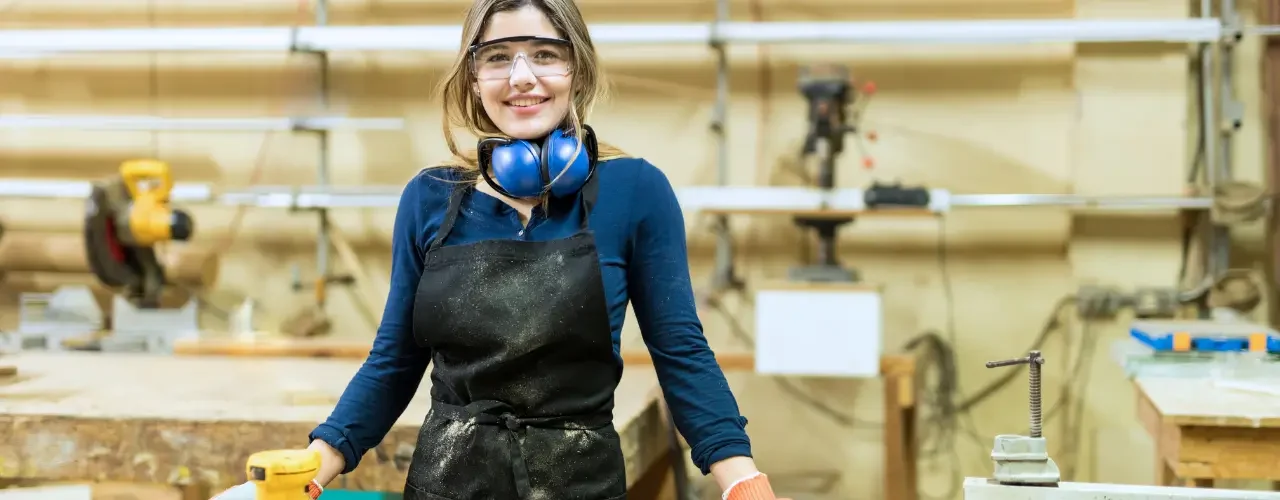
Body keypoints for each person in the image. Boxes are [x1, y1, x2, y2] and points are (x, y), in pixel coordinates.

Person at [215, 0, 790, 498]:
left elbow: (681, 351)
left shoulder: (634, 191)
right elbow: (393, 363)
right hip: (448, 484)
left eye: (544, 54)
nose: (522, 76)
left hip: (580, 485)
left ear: (577, 70)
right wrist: (308, 472)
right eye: (497, 57)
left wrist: (743, 482)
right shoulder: (429, 199)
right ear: (472, 78)